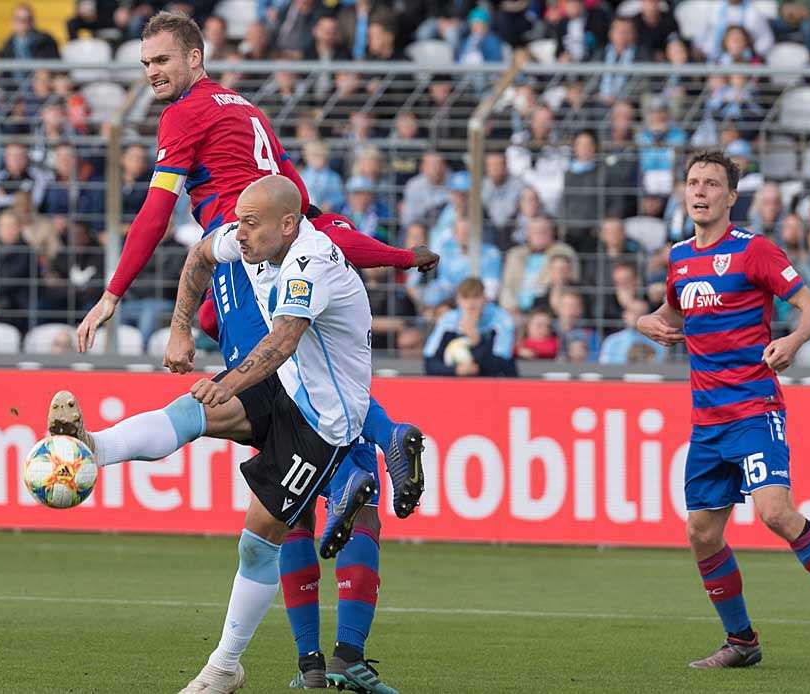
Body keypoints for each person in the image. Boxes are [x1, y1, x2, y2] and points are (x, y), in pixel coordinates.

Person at [71, 11, 437, 525]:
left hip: (242, 257)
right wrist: (396, 255)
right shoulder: (246, 109)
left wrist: (113, 293)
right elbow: (303, 205)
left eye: (162, 59)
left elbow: (156, 212)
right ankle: (382, 441)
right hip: (283, 251)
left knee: (266, 388)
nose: (151, 71)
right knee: (297, 376)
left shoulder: (182, 113)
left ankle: (342, 479)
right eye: (145, 62)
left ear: (194, 57)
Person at [48, 176, 380, 693]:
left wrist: (228, 384)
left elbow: (282, 342)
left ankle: (226, 666)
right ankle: (94, 447)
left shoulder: (312, 261)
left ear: (288, 224)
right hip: (283, 385)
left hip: (323, 423)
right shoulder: (251, 238)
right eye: (239, 220)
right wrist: (181, 327)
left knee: (257, 541)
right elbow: (200, 256)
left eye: (251, 222)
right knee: (190, 411)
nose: (239, 233)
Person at [636, 150, 810, 668]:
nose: (699, 191)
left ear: (730, 196)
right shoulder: (679, 257)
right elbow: (671, 314)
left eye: (710, 184)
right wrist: (644, 323)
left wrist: (792, 341)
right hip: (706, 421)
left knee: (775, 511)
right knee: (701, 533)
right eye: (692, 182)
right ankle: (742, 642)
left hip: (753, 406)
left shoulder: (755, 252)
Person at [423, 277, 517, 377]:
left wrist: (477, 342)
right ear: (458, 300)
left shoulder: (500, 319)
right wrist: (456, 370)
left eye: (476, 297)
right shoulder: (448, 321)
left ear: (485, 299)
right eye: (466, 297)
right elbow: (430, 362)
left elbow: (502, 366)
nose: (470, 304)